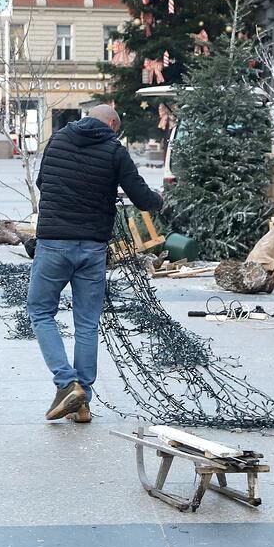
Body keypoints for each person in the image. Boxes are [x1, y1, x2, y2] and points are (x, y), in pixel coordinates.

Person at [29, 104, 163, 423]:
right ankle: (82, 398)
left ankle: (67, 385)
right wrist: (160, 201)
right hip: (92, 247)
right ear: (113, 124)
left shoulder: (58, 140)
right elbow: (142, 198)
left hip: (53, 243)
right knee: (86, 323)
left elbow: (41, 183)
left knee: (41, 311)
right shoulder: (114, 151)